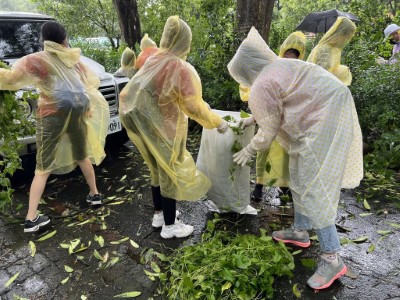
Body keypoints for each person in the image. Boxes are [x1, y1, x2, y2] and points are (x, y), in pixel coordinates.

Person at [228, 27, 363, 290]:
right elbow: (277, 105)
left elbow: (267, 132)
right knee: (298, 175)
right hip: (325, 111)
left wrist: (249, 149)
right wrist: (251, 120)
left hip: (323, 120)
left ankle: (332, 257)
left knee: (314, 187)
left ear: (245, 71)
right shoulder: (279, 66)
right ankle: (300, 231)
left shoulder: (262, 83)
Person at [119, 16, 229, 239]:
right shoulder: (179, 67)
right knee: (168, 171)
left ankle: (160, 214)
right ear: (184, 41)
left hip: (145, 126)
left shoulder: (153, 60)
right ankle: (170, 226)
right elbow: (192, 105)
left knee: (156, 168)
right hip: (165, 128)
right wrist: (217, 122)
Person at [0, 21, 109, 233]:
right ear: (64, 38)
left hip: (52, 114)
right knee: (81, 153)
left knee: (43, 166)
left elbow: (11, 79)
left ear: (44, 40)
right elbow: (91, 81)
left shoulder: (38, 60)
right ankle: (95, 195)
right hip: (77, 111)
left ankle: (31, 218)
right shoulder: (73, 60)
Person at [239, 31, 307, 202]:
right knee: (263, 151)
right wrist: (253, 118)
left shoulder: (301, 73)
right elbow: (264, 99)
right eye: (287, 56)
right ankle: (259, 186)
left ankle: (284, 187)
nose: (289, 60)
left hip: (288, 122)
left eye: (294, 57)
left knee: (285, 154)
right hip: (269, 118)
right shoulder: (273, 69)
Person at [307, 17, 356, 86]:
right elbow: (321, 75)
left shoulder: (334, 49)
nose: (347, 41)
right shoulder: (325, 49)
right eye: (347, 37)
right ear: (341, 34)